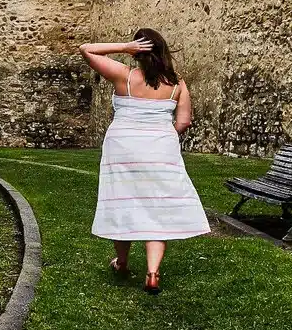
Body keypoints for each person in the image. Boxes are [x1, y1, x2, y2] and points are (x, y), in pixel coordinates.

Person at [79, 28, 210, 294]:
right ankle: (152, 272)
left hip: (123, 147)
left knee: (122, 201)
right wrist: (161, 138)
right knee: (158, 207)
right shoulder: (177, 84)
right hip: (161, 148)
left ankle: (123, 262)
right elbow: (184, 121)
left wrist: (124, 47)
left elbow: (86, 49)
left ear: (139, 52)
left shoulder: (125, 76)